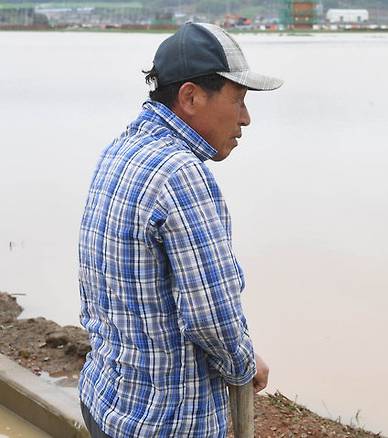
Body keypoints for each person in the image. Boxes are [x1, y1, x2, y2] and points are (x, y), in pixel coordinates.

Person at [77, 22, 282, 437]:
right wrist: (243, 362)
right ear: (190, 96)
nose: (246, 118)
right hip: (166, 422)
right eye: (239, 99)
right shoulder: (180, 174)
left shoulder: (122, 149)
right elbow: (213, 316)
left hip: (106, 400)